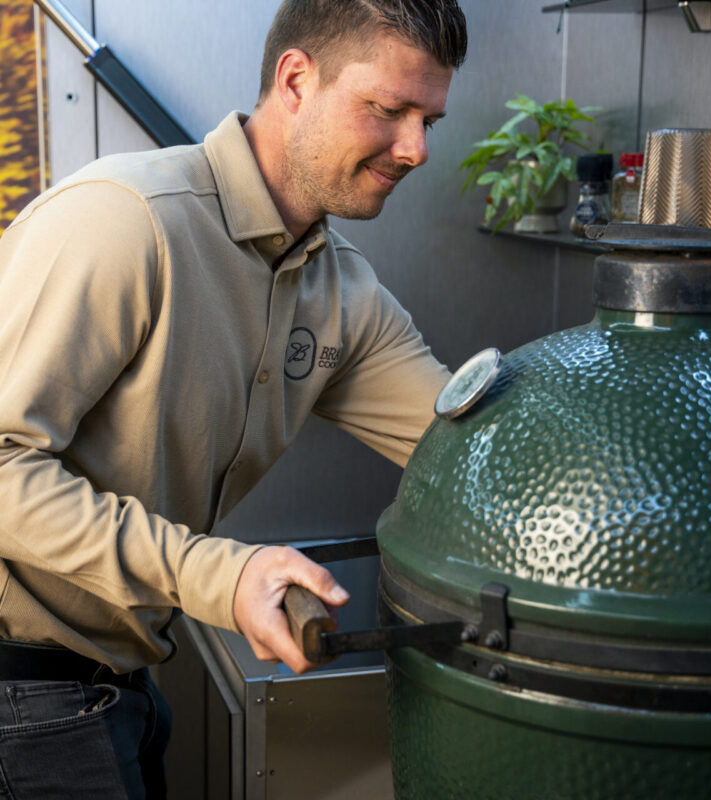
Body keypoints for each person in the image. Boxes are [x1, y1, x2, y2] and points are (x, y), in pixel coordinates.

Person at [0, 0, 468, 796]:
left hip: (121, 683)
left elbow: (468, 439)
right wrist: (217, 574)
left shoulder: (341, 290)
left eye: (429, 117)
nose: (416, 148)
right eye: (387, 110)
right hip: (20, 690)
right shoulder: (124, 221)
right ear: (295, 80)